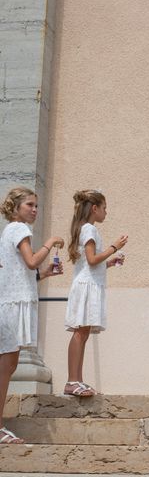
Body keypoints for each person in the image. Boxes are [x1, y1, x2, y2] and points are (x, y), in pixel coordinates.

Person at [0, 187, 65, 444]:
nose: (35, 210)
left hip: (10, 301)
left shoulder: (9, 231)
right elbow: (30, 261)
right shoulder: (20, 229)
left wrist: (45, 274)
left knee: (8, 365)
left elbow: (23, 271)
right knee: (6, 366)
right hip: (12, 305)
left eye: (36, 205)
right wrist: (49, 243)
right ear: (16, 208)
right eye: (30, 205)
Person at [64, 190, 127, 397]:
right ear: (94, 208)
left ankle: (77, 380)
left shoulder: (86, 229)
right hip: (86, 287)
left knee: (83, 333)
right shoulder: (89, 229)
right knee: (80, 333)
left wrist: (110, 262)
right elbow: (91, 260)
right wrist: (114, 247)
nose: (106, 212)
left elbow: (90, 264)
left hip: (88, 283)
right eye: (104, 208)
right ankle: (72, 380)